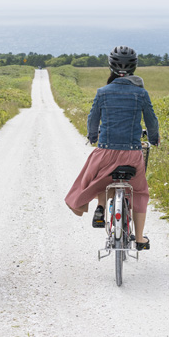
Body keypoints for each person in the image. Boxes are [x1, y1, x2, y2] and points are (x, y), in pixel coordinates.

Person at [64, 46, 159, 250]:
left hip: (106, 151)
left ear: (111, 67)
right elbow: (152, 121)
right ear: (134, 68)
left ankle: (100, 207)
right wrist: (154, 138)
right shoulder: (141, 93)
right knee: (140, 191)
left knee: (100, 177)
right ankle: (140, 238)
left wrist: (93, 136)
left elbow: (92, 119)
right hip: (132, 154)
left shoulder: (102, 92)